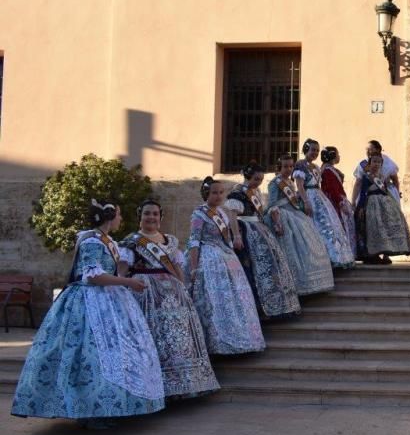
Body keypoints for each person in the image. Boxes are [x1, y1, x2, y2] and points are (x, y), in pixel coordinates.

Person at [11, 200, 164, 425]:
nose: (121, 219)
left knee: (114, 354)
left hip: (110, 301)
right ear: (110, 217)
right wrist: (128, 282)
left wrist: (124, 275)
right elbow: (92, 277)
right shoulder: (92, 241)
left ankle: (110, 407)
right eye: (119, 214)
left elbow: (110, 270)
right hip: (90, 302)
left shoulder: (107, 241)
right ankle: (90, 410)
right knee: (91, 354)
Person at [120, 200, 220, 399]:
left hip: (173, 293)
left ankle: (184, 384)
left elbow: (178, 269)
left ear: (161, 217)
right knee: (152, 335)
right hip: (145, 293)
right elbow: (122, 271)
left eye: (155, 214)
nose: (151, 217)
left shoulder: (170, 241)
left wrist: (184, 290)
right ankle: (157, 386)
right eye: (147, 213)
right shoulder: (131, 242)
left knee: (178, 335)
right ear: (140, 216)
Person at [187, 177, 266, 355]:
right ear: (206, 193)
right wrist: (193, 268)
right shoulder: (199, 214)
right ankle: (216, 342)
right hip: (208, 260)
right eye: (214, 193)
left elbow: (228, 238)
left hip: (226, 258)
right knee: (214, 299)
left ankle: (242, 339)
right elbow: (193, 242)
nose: (218, 196)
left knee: (236, 297)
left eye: (221, 192)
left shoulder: (223, 213)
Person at [225, 162, 301, 320]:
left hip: (258, 228)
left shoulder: (255, 191)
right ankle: (256, 309)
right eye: (256, 179)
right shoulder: (237, 193)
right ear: (247, 176)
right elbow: (232, 216)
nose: (258, 182)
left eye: (260, 179)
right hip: (245, 230)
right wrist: (237, 236)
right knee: (251, 267)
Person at [266, 154, 336, 295]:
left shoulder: (290, 182)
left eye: (291, 166)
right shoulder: (275, 183)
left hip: (294, 214)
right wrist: (278, 222)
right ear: (279, 167)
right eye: (285, 166)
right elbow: (272, 204)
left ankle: (313, 283)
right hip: (282, 216)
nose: (288, 169)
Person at [296, 139, 355, 268]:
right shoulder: (300, 165)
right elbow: (300, 185)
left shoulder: (317, 167)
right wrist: (306, 201)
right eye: (312, 150)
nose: (315, 153)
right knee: (317, 226)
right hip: (309, 196)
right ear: (306, 149)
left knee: (329, 226)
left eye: (317, 150)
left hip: (320, 198)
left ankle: (335, 257)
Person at [351, 153, 410, 264]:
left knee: (388, 226)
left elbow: (387, 188)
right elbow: (362, 192)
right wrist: (359, 205)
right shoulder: (366, 176)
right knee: (374, 228)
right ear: (370, 163)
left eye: (379, 162)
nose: (376, 164)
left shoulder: (382, 177)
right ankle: (373, 254)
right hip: (371, 203)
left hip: (385, 203)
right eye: (374, 162)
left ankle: (387, 253)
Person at [320, 145, 356, 250]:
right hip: (335, 203)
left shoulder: (329, 169)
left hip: (336, 200)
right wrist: (340, 203)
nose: (339, 156)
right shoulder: (327, 171)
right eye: (337, 154)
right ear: (333, 156)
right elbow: (333, 189)